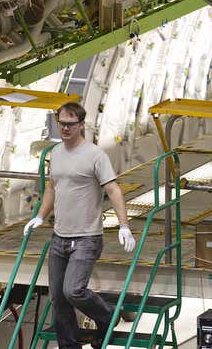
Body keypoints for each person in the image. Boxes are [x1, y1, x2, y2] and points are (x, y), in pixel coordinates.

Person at [23, 102, 136, 349]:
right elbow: (53, 188)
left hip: (87, 238)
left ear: (81, 125)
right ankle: (69, 346)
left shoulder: (95, 155)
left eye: (70, 124)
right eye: (61, 123)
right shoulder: (56, 154)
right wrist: (40, 216)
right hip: (59, 237)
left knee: (72, 290)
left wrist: (124, 226)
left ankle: (107, 315)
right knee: (57, 298)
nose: (64, 128)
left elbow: (113, 190)